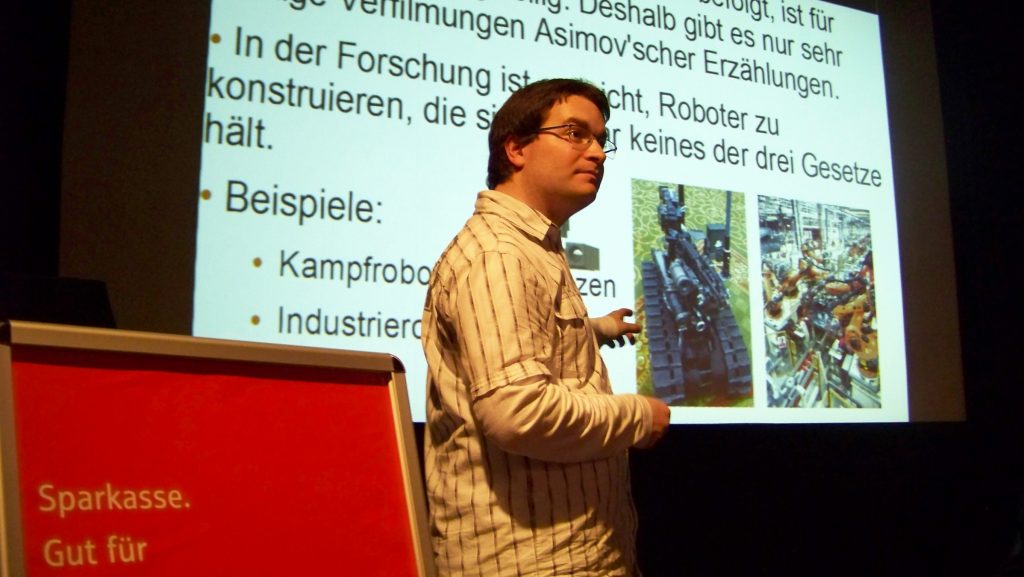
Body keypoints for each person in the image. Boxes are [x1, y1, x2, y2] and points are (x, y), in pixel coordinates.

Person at [421, 78, 671, 577]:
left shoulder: (529, 245)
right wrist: (639, 417)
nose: (596, 153)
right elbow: (517, 413)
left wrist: (595, 329)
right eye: (575, 134)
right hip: (532, 562)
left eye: (601, 139)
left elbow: (529, 339)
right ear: (516, 148)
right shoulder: (499, 254)